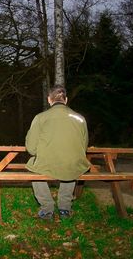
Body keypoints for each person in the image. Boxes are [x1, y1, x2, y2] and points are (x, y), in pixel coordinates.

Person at [25, 84, 90, 220]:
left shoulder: (40, 118)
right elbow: (83, 147)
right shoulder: (80, 119)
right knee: (72, 165)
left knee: (33, 167)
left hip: (48, 164)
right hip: (73, 164)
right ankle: (65, 209)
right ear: (65, 100)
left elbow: (31, 149)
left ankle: (47, 208)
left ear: (49, 100)